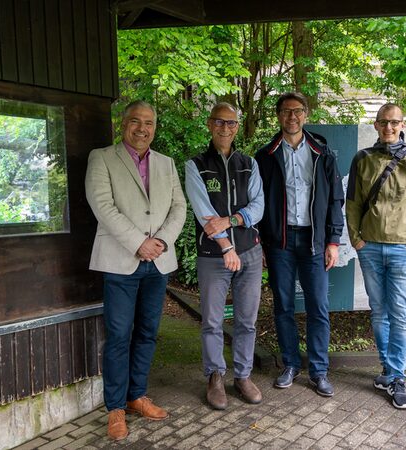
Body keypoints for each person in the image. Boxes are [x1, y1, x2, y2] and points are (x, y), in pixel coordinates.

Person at [85, 100, 187, 440]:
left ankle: (136, 395)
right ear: (122, 123)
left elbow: (179, 207)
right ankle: (115, 408)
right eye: (135, 121)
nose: (142, 128)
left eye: (149, 123)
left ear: (155, 127)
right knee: (118, 336)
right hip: (120, 261)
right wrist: (137, 243)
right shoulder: (102, 158)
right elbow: (103, 206)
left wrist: (160, 242)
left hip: (158, 262)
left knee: (147, 332)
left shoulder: (166, 163)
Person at [344, 103, 406, 409]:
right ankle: (387, 368)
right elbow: (353, 203)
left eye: (394, 122)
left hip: (402, 250)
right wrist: (356, 239)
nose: (389, 127)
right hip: (369, 247)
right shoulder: (363, 159)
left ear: (402, 124)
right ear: (376, 124)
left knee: (400, 313)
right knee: (379, 311)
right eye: (384, 122)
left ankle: (397, 376)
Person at [254, 92, 344, 397]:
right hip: (279, 242)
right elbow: (257, 201)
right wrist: (262, 242)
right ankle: (290, 364)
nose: (292, 117)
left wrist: (333, 240)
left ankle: (319, 371)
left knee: (319, 306)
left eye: (297, 111)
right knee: (283, 306)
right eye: (285, 112)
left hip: (314, 240)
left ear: (305, 114)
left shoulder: (322, 153)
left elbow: (335, 199)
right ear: (278, 116)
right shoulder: (265, 156)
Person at [184, 102, 265, 410]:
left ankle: (242, 376)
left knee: (247, 320)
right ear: (210, 124)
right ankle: (215, 376)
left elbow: (258, 206)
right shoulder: (196, 165)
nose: (225, 128)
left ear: (237, 127)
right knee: (212, 322)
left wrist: (232, 221)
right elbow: (203, 210)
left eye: (231, 123)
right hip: (213, 256)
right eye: (220, 122)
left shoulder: (249, 163)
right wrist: (225, 247)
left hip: (250, 252)